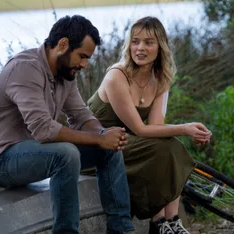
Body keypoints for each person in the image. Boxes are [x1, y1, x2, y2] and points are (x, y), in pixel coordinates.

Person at [0, 15, 135, 234]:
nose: (84, 65)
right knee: (66, 154)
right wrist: (99, 138)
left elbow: (81, 116)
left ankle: (122, 230)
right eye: (82, 57)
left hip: (31, 153)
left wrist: (105, 134)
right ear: (63, 44)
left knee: (109, 151)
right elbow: (44, 130)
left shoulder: (66, 74)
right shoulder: (25, 69)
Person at [81, 17, 212, 234]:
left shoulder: (160, 78)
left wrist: (185, 131)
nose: (140, 48)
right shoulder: (117, 76)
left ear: (160, 47)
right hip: (95, 147)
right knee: (168, 146)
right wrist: (185, 128)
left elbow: (155, 127)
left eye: (148, 43)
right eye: (135, 41)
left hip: (124, 142)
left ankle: (171, 222)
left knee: (168, 145)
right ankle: (159, 223)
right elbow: (141, 130)